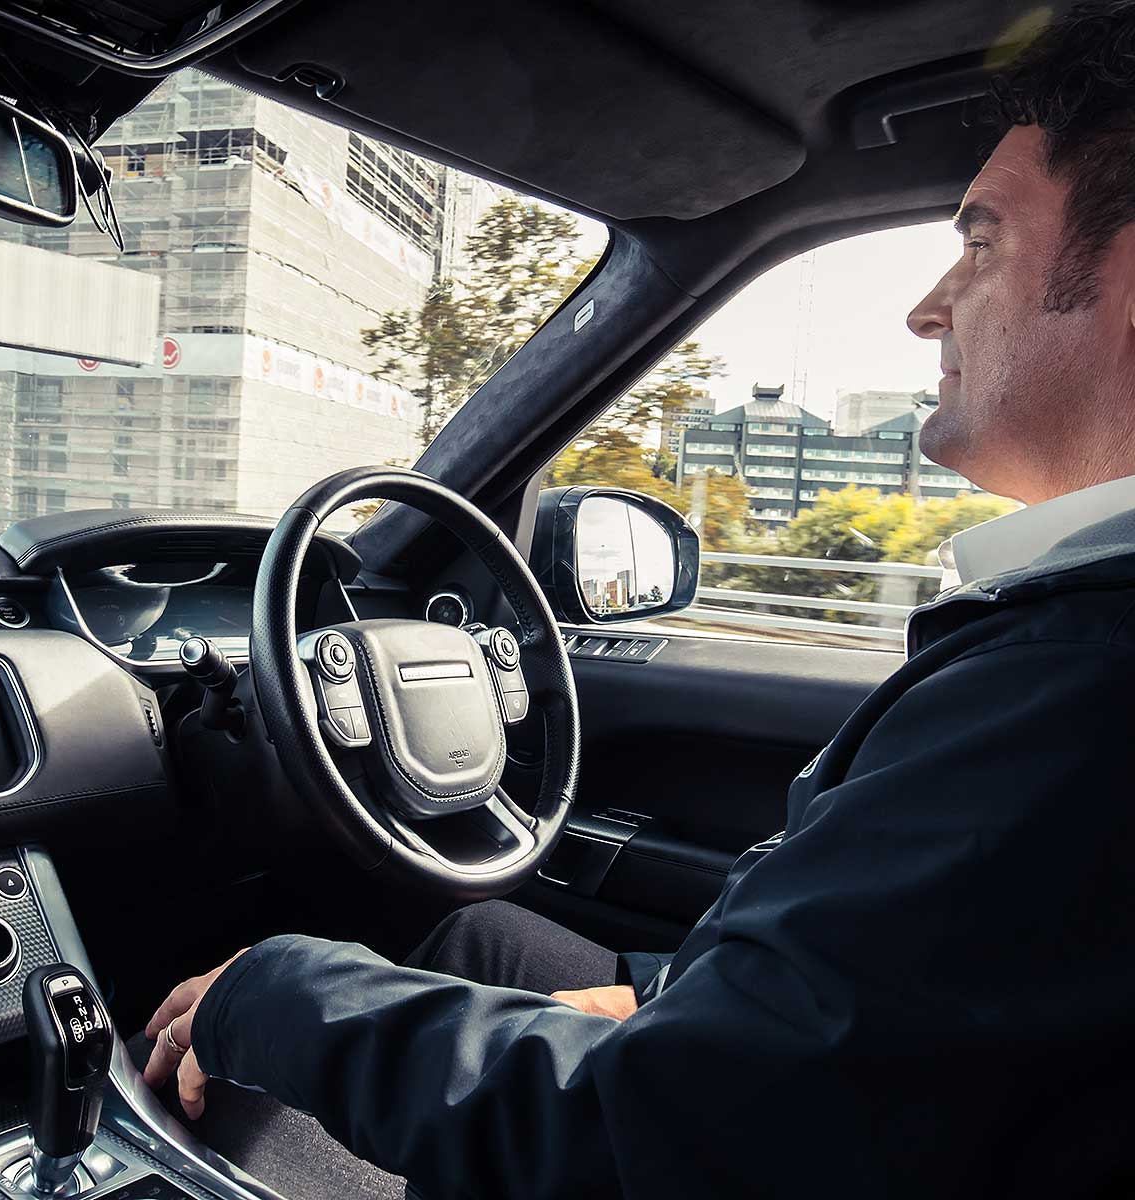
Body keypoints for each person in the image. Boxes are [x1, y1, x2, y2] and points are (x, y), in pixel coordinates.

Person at [140, 4, 1135, 1196]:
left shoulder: (1076, 689)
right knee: (482, 942)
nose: (929, 305)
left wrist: (272, 993)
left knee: (221, 1077)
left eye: (979, 244)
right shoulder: (1068, 649)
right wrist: (662, 994)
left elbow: (665, 1139)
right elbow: (886, 1011)